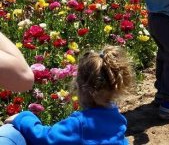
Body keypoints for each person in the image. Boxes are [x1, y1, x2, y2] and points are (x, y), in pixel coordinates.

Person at [0, 46, 133, 145]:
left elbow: (46, 137)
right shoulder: (117, 118)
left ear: (79, 87)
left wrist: (23, 117)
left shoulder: (79, 124)